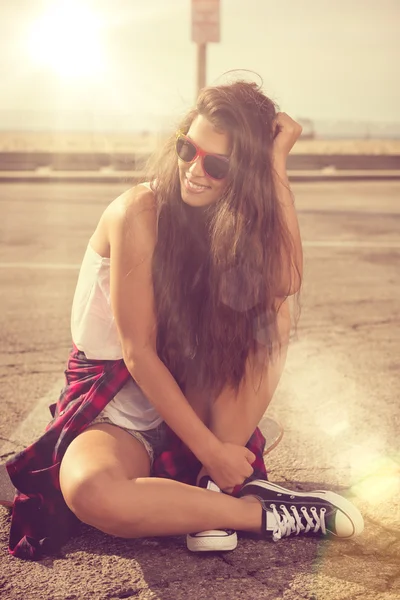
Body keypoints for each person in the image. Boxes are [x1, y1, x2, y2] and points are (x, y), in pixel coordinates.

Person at [5, 80, 363, 560]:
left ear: (244, 175)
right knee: (91, 493)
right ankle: (262, 512)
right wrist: (212, 449)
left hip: (192, 394)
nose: (195, 171)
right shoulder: (139, 210)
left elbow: (286, 280)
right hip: (115, 407)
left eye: (217, 165)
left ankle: (210, 491)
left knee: (272, 310)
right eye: (187, 149)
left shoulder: (227, 223)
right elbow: (137, 352)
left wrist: (276, 163)